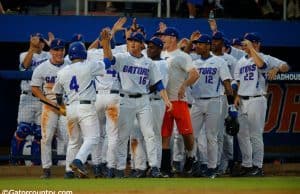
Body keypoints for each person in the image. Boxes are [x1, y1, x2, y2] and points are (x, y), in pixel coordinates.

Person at [102, 29, 173, 178]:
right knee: (123, 136)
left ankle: (154, 167)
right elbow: (109, 59)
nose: (132, 43)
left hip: (143, 100)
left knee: (150, 134)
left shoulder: (148, 62)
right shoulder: (122, 57)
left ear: (142, 44)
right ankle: (120, 169)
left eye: (135, 41)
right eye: (130, 40)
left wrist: (166, 100)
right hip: (125, 99)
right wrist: (106, 43)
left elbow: (158, 83)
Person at [53, 41, 105, 178]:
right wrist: (105, 44)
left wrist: (62, 106)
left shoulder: (62, 71)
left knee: (74, 141)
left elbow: (57, 94)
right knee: (93, 137)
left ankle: (69, 172)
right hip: (85, 107)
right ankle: (78, 160)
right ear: (83, 52)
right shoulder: (88, 65)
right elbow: (109, 63)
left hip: (70, 108)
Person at [189, 34, 235, 178]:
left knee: (211, 136)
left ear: (208, 45)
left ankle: (212, 167)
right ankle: (196, 162)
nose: (197, 46)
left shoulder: (219, 62)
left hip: (214, 101)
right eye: (197, 44)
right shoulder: (194, 63)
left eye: (200, 44)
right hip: (196, 102)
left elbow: (227, 84)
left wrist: (232, 107)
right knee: (191, 135)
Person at [160, 27, 199, 177]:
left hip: (179, 100)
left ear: (173, 38)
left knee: (186, 133)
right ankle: (165, 168)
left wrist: (185, 84)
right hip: (164, 100)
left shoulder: (182, 56)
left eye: (165, 36)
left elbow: (194, 74)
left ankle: (191, 156)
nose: (163, 38)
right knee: (165, 134)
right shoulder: (161, 54)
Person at [10, 33, 51, 166]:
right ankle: (15, 160)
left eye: (41, 41)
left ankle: (35, 163)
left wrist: (51, 46)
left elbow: (59, 60)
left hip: (42, 97)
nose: (39, 43)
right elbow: (26, 66)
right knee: (23, 129)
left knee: (40, 132)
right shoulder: (24, 54)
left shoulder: (48, 55)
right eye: (37, 40)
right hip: (27, 96)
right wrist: (32, 48)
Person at [31, 38, 68, 178]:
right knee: (46, 138)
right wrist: (47, 101)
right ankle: (46, 169)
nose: (59, 52)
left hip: (65, 106)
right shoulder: (42, 67)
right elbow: (34, 88)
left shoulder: (70, 64)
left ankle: (69, 168)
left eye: (61, 49)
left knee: (69, 138)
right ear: (51, 51)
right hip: (49, 105)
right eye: (56, 49)